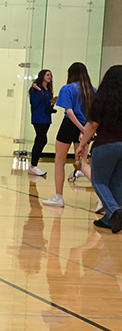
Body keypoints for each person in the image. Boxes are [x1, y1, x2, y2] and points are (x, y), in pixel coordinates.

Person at [76, 65, 122, 233]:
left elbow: (93, 124)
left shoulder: (102, 99)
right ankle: (109, 220)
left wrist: (82, 146)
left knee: (99, 181)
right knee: (117, 183)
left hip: (106, 145)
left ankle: (115, 211)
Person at [44, 62, 96, 207]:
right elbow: (94, 114)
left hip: (69, 126)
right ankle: (104, 196)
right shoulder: (93, 90)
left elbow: (69, 111)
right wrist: (85, 130)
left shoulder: (67, 88)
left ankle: (58, 197)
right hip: (86, 127)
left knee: (59, 161)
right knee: (83, 164)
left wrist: (80, 128)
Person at [29, 69, 55, 176]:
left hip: (46, 118)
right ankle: (33, 165)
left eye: (51, 75)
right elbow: (34, 103)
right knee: (42, 139)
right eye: (47, 75)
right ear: (42, 76)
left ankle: (33, 165)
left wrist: (52, 103)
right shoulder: (35, 90)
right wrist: (39, 91)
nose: (50, 77)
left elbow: (46, 106)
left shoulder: (48, 90)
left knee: (40, 140)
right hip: (38, 118)